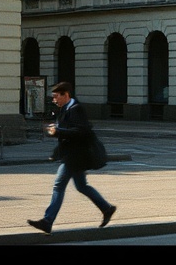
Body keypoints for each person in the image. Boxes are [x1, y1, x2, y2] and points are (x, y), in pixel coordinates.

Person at [28, 82, 116, 235]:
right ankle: (106, 208)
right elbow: (67, 134)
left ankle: (47, 221)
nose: (54, 100)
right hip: (73, 155)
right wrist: (56, 149)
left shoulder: (76, 109)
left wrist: (58, 131)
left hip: (76, 156)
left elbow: (80, 132)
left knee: (58, 186)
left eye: (56, 97)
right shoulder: (65, 109)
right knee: (82, 186)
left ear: (66, 95)